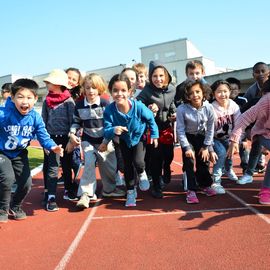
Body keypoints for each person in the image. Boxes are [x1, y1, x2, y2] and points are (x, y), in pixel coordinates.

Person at [0, 79, 63, 223]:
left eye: (29, 97)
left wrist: (53, 146)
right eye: (20, 97)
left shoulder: (35, 117)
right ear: (13, 97)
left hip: (19, 153)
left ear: (35, 99)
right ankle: (2, 208)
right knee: (7, 178)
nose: (24, 101)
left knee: (26, 183)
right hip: (2, 152)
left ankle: (15, 206)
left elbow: (43, 135)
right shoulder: (3, 114)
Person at [68, 73, 125, 209]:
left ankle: (109, 190)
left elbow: (110, 125)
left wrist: (105, 142)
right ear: (83, 89)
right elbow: (76, 122)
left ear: (99, 88)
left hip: (105, 140)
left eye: (94, 87)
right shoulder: (79, 105)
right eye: (87, 88)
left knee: (109, 167)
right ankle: (85, 194)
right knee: (88, 163)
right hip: (88, 140)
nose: (91, 91)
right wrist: (72, 134)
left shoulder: (106, 104)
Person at [103, 73, 159, 207]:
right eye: (115, 90)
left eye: (123, 90)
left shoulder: (138, 106)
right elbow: (106, 129)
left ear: (130, 91)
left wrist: (155, 135)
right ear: (110, 92)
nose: (119, 94)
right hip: (124, 140)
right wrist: (113, 130)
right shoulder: (109, 110)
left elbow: (150, 118)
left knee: (139, 161)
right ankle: (130, 192)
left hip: (139, 137)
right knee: (127, 166)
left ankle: (142, 172)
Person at [137, 60, 176, 199]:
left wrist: (174, 113)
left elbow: (172, 104)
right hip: (153, 130)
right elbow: (138, 104)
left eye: (161, 75)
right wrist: (148, 107)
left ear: (166, 75)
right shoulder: (147, 91)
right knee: (155, 158)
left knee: (169, 155)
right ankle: (157, 185)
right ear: (150, 77)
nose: (158, 79)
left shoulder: (172, 89)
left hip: (167, 128)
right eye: (154, 76)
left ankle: (167, 168)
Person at [228, 78, 270, 205]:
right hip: (263, 132)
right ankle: (266, 189)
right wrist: (235, 140)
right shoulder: (266, 100)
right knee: (256, 150)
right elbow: (244, 117)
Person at [176, 79, 217, 203]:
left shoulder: (209, 108)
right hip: (188, 137)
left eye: (198, 91)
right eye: (191, 93)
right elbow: (180, 130)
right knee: (189, 161)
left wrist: (206, 147)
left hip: (202, 137)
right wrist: (187, 148)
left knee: (203, 160)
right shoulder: (182, 109)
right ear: (186, 96)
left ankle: (205, 185)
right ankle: (191, 190)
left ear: (203, 92)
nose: (195, 95)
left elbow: (210, 129)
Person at [42, 69, 75, 212]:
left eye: (49, 82)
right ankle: (50, 196)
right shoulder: (46, 100)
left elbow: (73, 121)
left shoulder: (69, 100)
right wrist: (44, 141)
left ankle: (68, 189)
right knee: (52, 168)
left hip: (65, 138)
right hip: (51, 139)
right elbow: (43, 120)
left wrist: (71, 140)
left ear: (58, 83)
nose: (47, 84)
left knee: (67, 166)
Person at [211, 80, 240, 194]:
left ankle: (228, 169)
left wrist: (236, 141)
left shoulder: (233, 105)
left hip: (229, 136)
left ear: (229, 92)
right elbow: (208, 129)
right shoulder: (211, 108)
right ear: (214, 94)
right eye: (219, 92)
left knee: (230, 150)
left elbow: (239, 123)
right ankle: (216, 180)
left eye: (225, 91)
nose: (223, 94)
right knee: (222, 153)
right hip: (214, 137)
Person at [226, 77, 249, 173]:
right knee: (227, 149)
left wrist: (245, 139)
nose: (232, 91)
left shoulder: (243, 101)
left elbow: (247, 117)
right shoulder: (221, 101)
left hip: (240, 130)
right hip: (227, 131)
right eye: (230, 89)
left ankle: (245, 167)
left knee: (244, 148)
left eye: (235, 89)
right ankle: (228, 168)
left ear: (239, 90)